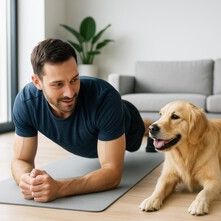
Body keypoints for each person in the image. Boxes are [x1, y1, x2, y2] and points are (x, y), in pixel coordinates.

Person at [11, 38, 154, 203]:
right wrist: (27, 180)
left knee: (136, 139)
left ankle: (147, 126)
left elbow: (112, 174)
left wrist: (59, 188)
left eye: (74, 79)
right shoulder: (26, 103)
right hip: (93, 134)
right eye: (58, 84)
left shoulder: (105, 98)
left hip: (127, 120)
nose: (70, 93)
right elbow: (21, 160)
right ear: (37, 82)